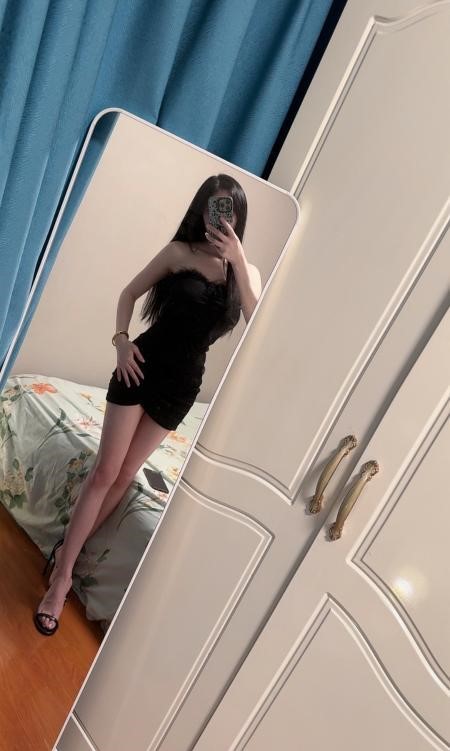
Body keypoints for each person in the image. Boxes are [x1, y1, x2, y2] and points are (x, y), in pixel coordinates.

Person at [34, 173, 262, 635]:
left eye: (230, 210)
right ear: (201, 210)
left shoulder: (248, 273)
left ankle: (66, 554)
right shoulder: (180, 252)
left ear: (239, 217)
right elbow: (128, 293)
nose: (221, 217)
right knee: (105, 472)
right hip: (140, 367)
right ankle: (61, 580)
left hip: (181, 387)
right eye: (214, 207)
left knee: (125, 476)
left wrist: (238, 259)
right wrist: (121, 341)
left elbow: (257, 324)